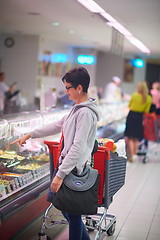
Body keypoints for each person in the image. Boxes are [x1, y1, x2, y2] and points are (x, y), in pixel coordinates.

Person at [11, 67, 101, 240]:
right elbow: (56, 125)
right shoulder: (76, 110)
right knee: (68, 212)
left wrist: (60, 175)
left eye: (68, 87)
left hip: (74, 170)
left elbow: (78, 147)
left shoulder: (85, 113)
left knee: (72, 214)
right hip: (68, 167)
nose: (66, 91)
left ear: (79, 88)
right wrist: (30, 134)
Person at [124, 81, 152, 162]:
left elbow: (129, 106)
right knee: (136, 138)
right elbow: (147, 111)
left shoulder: (134, 95)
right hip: (140, 117)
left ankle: (132, 155)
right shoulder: (149, 98)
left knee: (130, 137)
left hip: (132, 115)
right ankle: (135, 154)